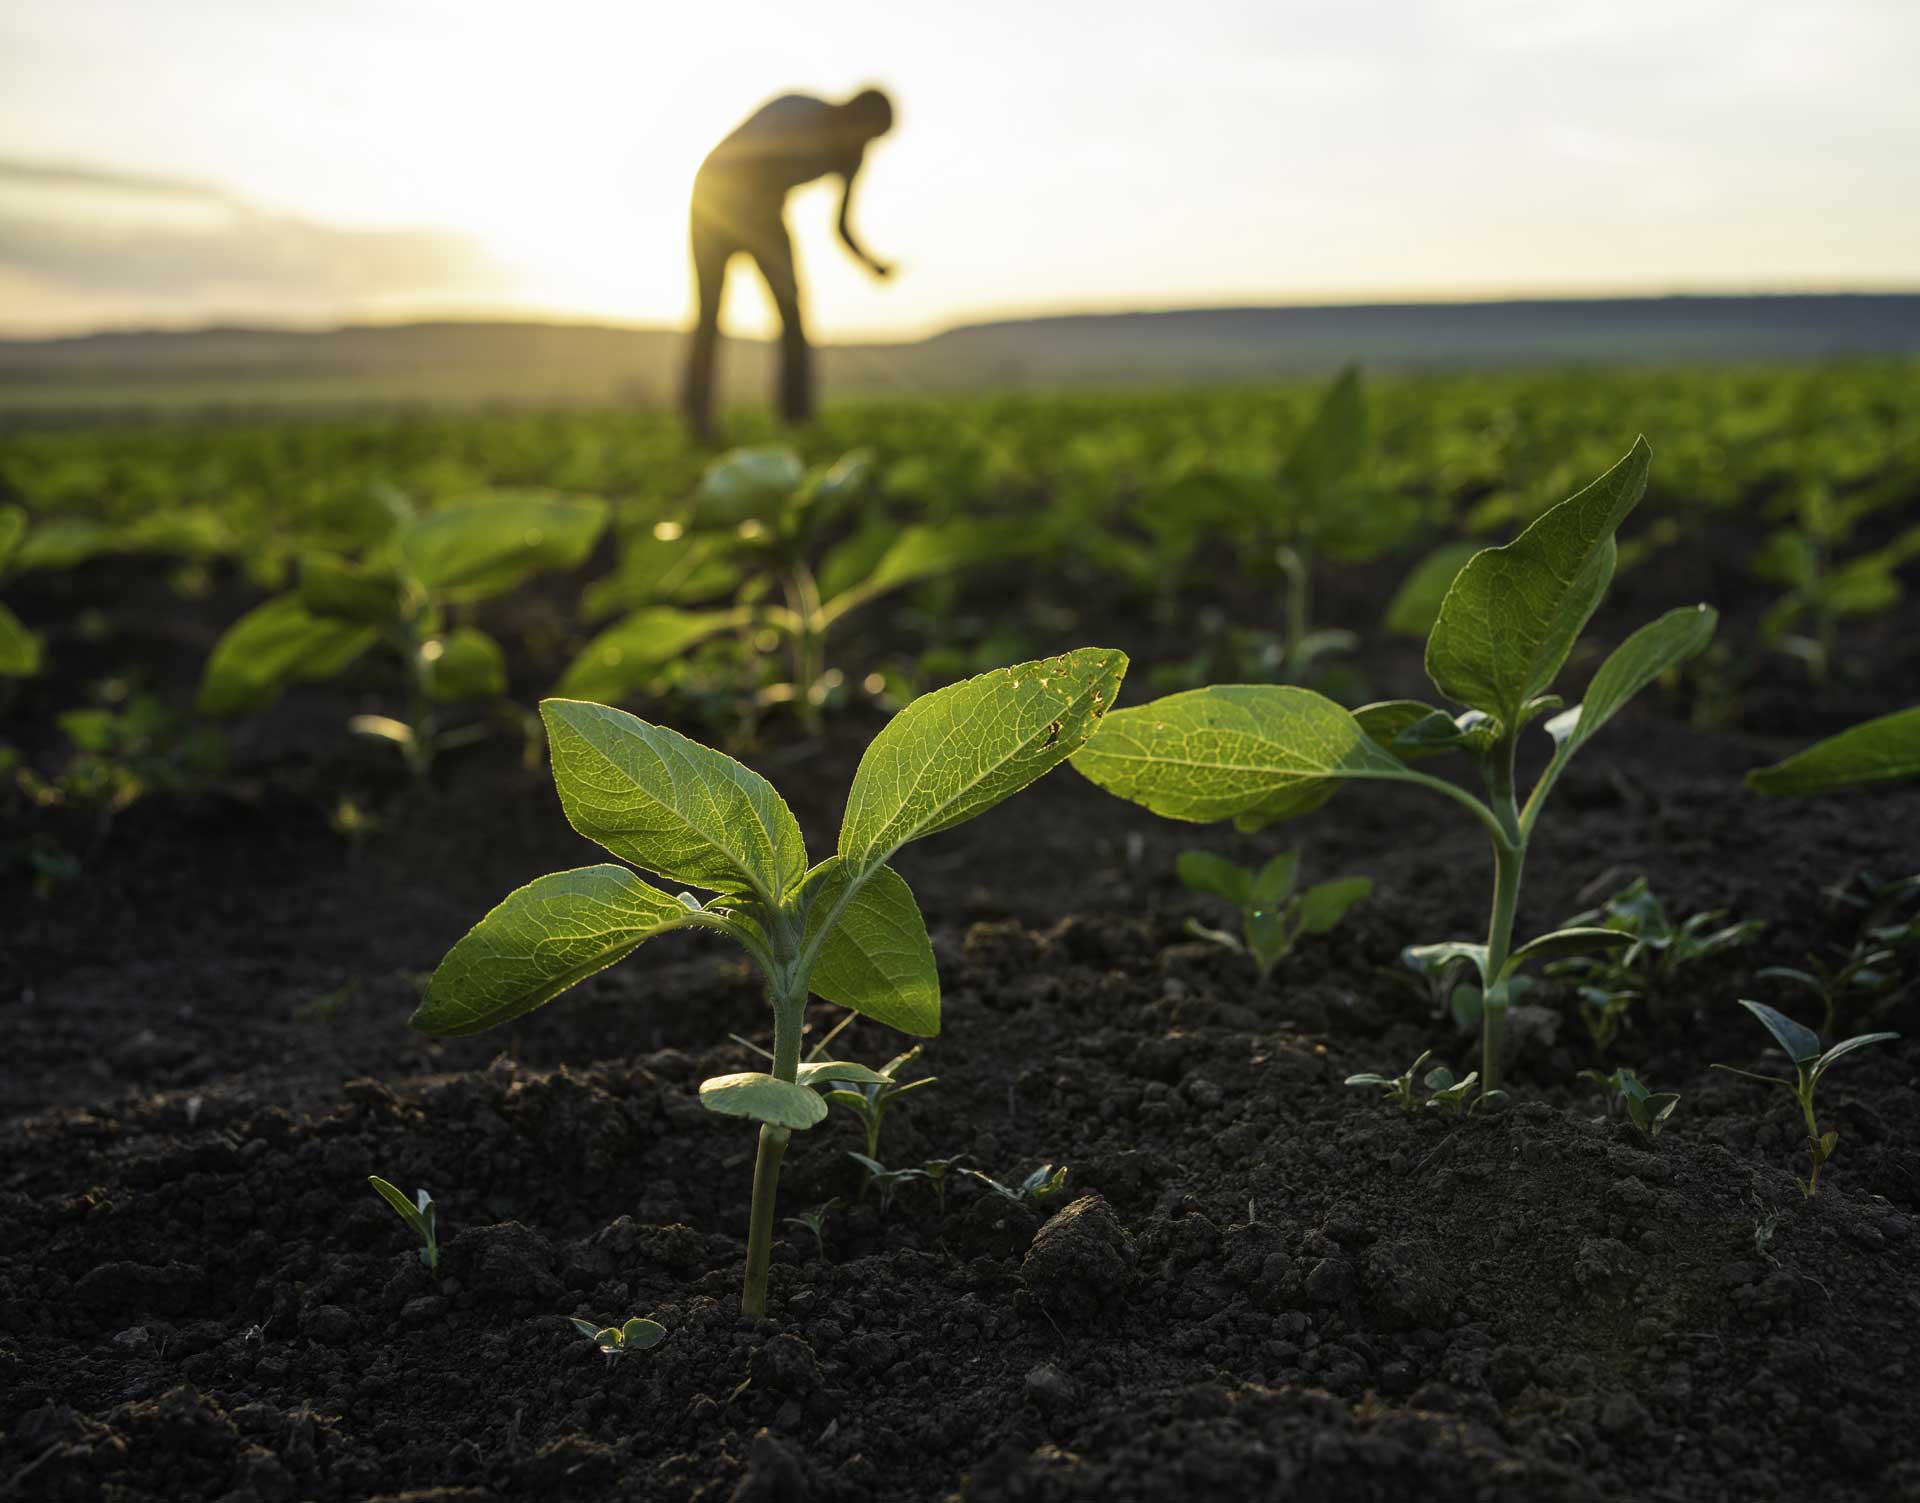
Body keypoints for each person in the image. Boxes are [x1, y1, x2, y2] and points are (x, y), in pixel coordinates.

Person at [683, 88, 895, 442]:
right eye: (866, 130)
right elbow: (750, 166)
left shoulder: (852, 156)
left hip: (766, 210)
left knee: (792, 311)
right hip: (715, 197)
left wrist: (871, 264)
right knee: (710, 311)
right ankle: (698, 419)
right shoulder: (799, 111)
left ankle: (796, 418)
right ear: (854, 113)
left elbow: (841, 226)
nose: (865, 142)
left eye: (873, 138)